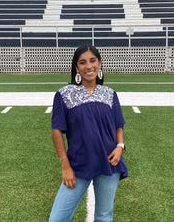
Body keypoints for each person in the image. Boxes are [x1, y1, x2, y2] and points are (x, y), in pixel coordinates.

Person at [49, 44, 128, 222]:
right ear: (76, 67)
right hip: (77, 164)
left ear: (100, 63)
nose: (89, 66)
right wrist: (65, 165)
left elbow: (118, 124)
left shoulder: (110, 94)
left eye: (93, 61)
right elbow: (56, 131)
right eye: (83, 62)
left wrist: (120, 147)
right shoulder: (64, 94)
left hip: (109, 163)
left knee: (103, 216)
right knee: (58, 218)